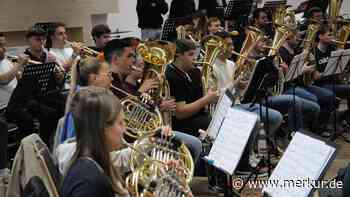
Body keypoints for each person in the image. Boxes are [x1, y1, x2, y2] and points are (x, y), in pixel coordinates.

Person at [103, 38, 202, 162]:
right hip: (134, 139)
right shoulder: (112, 85)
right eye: (129, 56)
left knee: (195, 144)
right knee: (193, 145)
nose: (133, 60)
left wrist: (158, 103)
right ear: (116, 60)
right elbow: (127, 116)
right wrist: (141, 91)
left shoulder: (123, 82)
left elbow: (141, 111)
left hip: (147, 133)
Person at [60, 87, 129, 197]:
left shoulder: (94, 162)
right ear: (102, 129)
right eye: (120, 123)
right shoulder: (89, 184)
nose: (124, 129)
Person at [165, 39, 219, 136]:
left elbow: (197, 100)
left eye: (194, 54)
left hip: (196, 117)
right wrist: (207, 99)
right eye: (190, 54)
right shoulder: (172, 75)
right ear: (178, 55)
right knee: (217, 127)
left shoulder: (192, 71)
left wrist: (208, 95)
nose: (194, 58)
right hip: (182, 125)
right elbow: (180, 113)